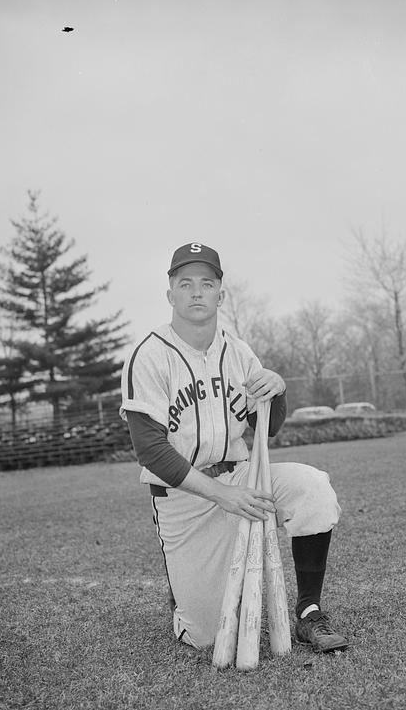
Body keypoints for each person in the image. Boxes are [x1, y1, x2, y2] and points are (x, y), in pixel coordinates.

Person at [120, 242, 348, 653]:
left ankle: (309, 611)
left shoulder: (238, 350)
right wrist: (220, 495)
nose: (195, 292)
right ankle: (184, 595)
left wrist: (277, 390)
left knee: (312, 487)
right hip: (184, 497)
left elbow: (268, 426)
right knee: (205, 635)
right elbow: (150, 450)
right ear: (169, 293)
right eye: (185, 283)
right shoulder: (149, 355)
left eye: (206, 284)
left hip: (242, 478)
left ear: (220, 295)